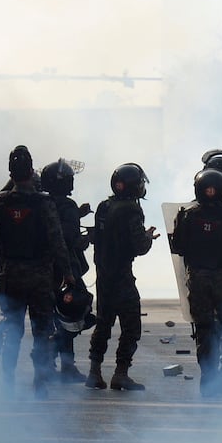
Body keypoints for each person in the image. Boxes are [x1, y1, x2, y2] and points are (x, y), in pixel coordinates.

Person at [0, 145, 71, 396]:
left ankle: (7, 383)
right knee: (42, 331)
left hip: (11, 275)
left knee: (12, 331)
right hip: (40, 276)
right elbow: (57, 240)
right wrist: (68, 272)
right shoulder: (43, 202)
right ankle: (41, 381)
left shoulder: (0, 202)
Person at [170, 167, 222, 396]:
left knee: (205, 330)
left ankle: (208, 379)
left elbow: (177, 246)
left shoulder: (187, 215)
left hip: (198, 282)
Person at [86, 163, 155, 392]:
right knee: (131, 325)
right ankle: (121, 373)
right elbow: (138, 246)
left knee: (103, 323)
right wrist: (148, 238)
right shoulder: (131, 210)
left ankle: (94, 371)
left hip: (103, 275)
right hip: (122, 275)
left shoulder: (104, 206)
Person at [39, 158, 92, 382]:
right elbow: (68, 238)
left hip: (41, 269)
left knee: (45, 318)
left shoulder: (40, 203)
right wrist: (87, 239)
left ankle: (45, 366)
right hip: (65, 267)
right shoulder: (67, 206)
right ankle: (67, 367)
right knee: (72, 316)